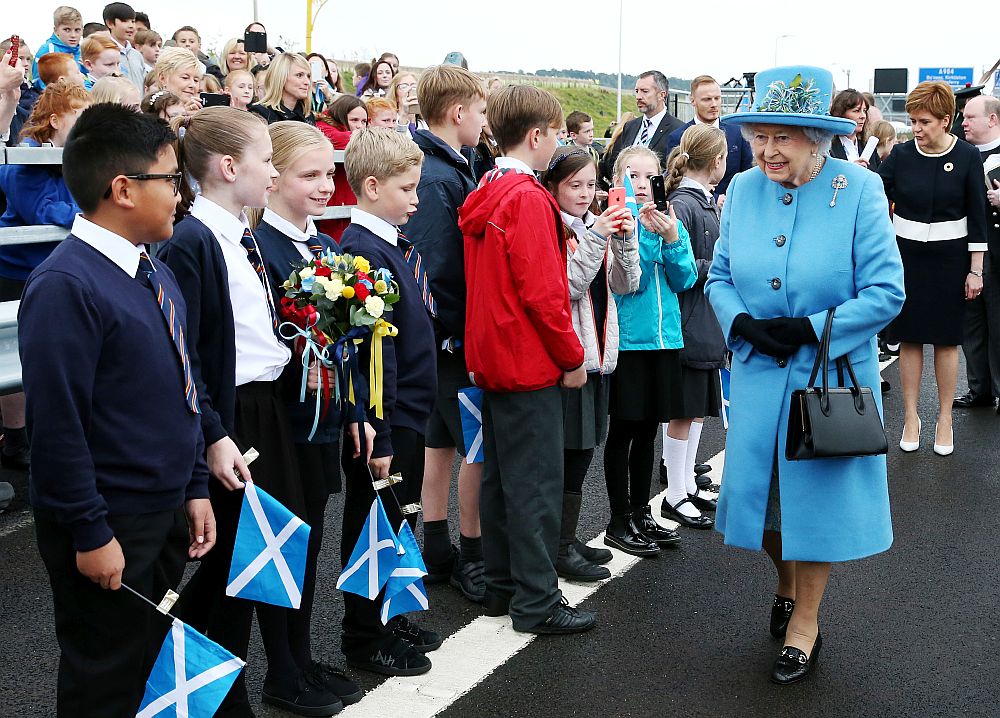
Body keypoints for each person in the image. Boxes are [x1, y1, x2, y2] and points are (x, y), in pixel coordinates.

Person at [706, 65, 905, 685]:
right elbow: (718, 277)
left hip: (827, 377)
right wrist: (741, 323)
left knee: (814, 510)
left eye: (783, 137)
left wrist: (813, 327)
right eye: (760, 135)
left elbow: (886, 292)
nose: (767, 150)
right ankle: (785, 581)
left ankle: (805, 624)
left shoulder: (860, 188)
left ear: (815, 139)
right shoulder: (740, 188)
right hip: (760, 376)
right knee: (762, 508)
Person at [21, 101, 215, 717]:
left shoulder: (150, 269)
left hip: (159, 507)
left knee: (146, 665)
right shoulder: (66, 286)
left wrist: (193, 483)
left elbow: (183, 384)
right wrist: (90, 529)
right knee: (103, 674)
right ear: (123, 189)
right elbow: (57, 427)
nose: (181, 194)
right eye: (171, 179)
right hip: (110, 518)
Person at [163, 107, 341, 716]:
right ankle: (192, 684)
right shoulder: (196, 239)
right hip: (234, 413)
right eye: (267, 160)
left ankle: (233, 686)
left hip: (267, 404)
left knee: (262, 557)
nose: (272, 172)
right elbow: (188, 351)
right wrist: (212, 431)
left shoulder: (238, 234)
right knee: (234, 565)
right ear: (230, 166)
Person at [460, 84, 595, 634]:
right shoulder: (529, 198)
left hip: (492, 356)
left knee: (501, 480)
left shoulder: (489, 187)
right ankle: (536, 602)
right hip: (527, 360)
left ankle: (502, 587)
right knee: (536, 485)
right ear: (536, 136)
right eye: (556, 132)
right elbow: (544, 293)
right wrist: (572, 354)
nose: (560, 141)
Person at [251, 120, 366, 712]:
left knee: (312, 536)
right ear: (272, 179)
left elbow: (342, 343)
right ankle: (281, 669)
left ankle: (298, 657)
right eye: (310, 175)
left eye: (330, 174)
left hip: (323, 419)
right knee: (284, 541)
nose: (325, 187)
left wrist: (353, 412)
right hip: (283, 420)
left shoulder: (323, 247)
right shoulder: (262, 251)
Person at [337, 127, 443, 675]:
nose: (416, 199)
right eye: (407, 189)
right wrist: (376, 425)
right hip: (388, 421)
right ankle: (363, 634)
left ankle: (389, 616)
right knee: (371, 525)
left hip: (410, 413)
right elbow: (369, 354)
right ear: (373, 187)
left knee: (399, 520)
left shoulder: (390, 244)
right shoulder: (361, 251)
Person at [402, 64, 488, 601]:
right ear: (457, 113)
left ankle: (436, 546)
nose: (482, 121)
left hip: (438, 341)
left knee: (440, 444)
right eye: (479, 112)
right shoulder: (437, 176)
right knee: (474, 446)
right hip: (448, 341)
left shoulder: (442, 166)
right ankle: (471, 554)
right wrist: (461, 333)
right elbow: (437, 271)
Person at [540, 146, 638, 581]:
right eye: (573, 185)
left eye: (589, 184)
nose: (583, 193)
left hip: (600, 355)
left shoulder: (587, 226)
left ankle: (567, 536)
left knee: (584, 449)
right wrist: (599, 235)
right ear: (554, 188)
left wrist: (626, 238)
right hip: (571, 359)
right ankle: (558, 546)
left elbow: (626, 282)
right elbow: (569, 287)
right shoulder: (554, 228)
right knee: (571, 453)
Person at [878, 81, 987, 455]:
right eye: (912, 121)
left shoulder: (969, 156)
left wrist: (976, 270)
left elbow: (978, 214)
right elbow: (875, 193)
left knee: (945, 339)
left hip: (951, 258)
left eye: (924, 121)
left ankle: (943, 418)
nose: (917, 129)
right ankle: (911, 417)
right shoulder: (902, 155)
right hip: (905, 256)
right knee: (909, 337)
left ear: (946, 120)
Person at [604, 145, 698, 553]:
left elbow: (686, 278)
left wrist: (673, 236)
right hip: (630, 343)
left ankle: (642, 511)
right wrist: (646, 236)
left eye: (649, 177)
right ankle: (618, 519)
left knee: (647, 432)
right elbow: (632, 281)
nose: (641, 185)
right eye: (632, 175)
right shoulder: (619, 224)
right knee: (624, 431)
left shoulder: (669, 221)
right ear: (617, 181)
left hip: (666, 340)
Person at [0, 79, 90, 472]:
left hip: (54, 269)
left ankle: (42, 437)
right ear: (54, 119)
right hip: (17, 273)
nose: (87, 122)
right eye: (79, 114)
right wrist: (89, 213)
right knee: (15, 360)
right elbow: (46, 212)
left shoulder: (77, 158)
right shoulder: (25, 160)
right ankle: (17, 438)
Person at [659, 124, 729, 528]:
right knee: (683, 412)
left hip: (703, 322)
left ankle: (685, 486)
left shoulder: (697, 201)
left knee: (698, 410)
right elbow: (675, 267)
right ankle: (674, 494)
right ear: (717, 161)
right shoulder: (684, 204)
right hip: (689, 321)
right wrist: (719, 268)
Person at [955, 94, 1000, 412]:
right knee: (972, 325)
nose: (963, 123)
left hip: (998, 255)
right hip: (967, 254)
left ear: (993, 119)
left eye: (970, 117)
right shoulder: (961, 154)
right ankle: (979, 389)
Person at [664, 75, 754, 199]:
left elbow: (747, 173)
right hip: (695, 206)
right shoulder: (678, 136)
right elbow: (675, 179)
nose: (714, 104)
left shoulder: (737, 133)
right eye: (707, 99)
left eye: (717, 98)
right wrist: (715, 198)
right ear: (693, 100)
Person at [599, 71, 685, 189]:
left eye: (645, 91)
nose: (638, 96)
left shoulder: (679, 130)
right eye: (637, 91)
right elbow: (615, 164)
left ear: (662, 95)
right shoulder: (630, 126)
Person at [315, 94, 366, 240]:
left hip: (349, 201)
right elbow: (338, 140)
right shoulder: (323, 126)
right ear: (341, 115)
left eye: (364, 121)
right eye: (354, 120)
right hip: (332, 202)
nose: (360, 126)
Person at [250, 52, 315, 125]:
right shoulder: (260, 113)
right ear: (281, 77)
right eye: (299, 75)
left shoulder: (308, 116)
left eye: (308, 76)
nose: (307, 82)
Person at [32, 5, 85, 85]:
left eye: (77, 30)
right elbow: (38, 83)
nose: (73, 35)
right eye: (67, 30)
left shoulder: (83, 51)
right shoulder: (48, 50)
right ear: (56, 30)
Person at [829, 89, 881, 170]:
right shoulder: (828, 148)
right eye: (857, 111)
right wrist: (851, 170)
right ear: (840, 113)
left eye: (864, 111)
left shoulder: (868, 148)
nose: (863, 116)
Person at [102, 2, 144, 92]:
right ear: (110, 23)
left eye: (133, 21)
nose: (131, 26)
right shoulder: (103, 53)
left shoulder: (137, 55)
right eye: (124, 21)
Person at [153, 46, 202, 115]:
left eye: (196, 80)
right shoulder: (150, 114)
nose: (193, 85)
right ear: (162, 78)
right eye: (185, 78)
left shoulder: (201, 113)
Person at [387, 71, 422, 136]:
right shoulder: (389, 120)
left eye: (414, 86)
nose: (409, 90)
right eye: (403, 87)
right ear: (395, 93)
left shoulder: (425, 121)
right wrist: (404, 116)